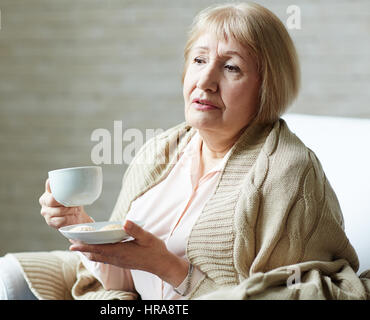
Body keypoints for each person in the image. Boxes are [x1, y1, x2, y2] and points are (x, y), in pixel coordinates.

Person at [18, 2, 370, 300]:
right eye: (199, 60)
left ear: (267, 88)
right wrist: (80, 226)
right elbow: (125, 280)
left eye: (231, 67)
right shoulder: (159, 152)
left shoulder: (288, 172)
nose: (205, 80)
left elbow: (285, 294)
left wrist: (169, 267)